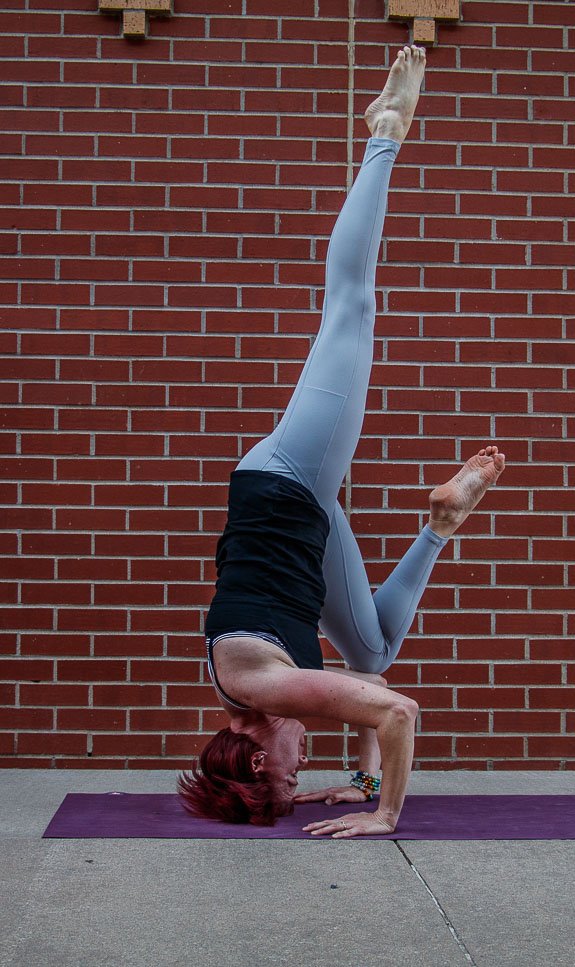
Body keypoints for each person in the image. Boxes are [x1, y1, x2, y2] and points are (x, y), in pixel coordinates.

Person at [177, 47, 505, 838]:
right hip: (300, 523)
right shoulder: (260, 690)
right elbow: (366, 680)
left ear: (256, 752)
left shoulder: (267, 692)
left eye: (290, 771)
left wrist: (382, 812)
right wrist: (356, 778)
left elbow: (395, 709)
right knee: (377, 641)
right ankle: (441, 522)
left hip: (288, 481)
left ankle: (384, 133)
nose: (299, 764)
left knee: (350, 307)